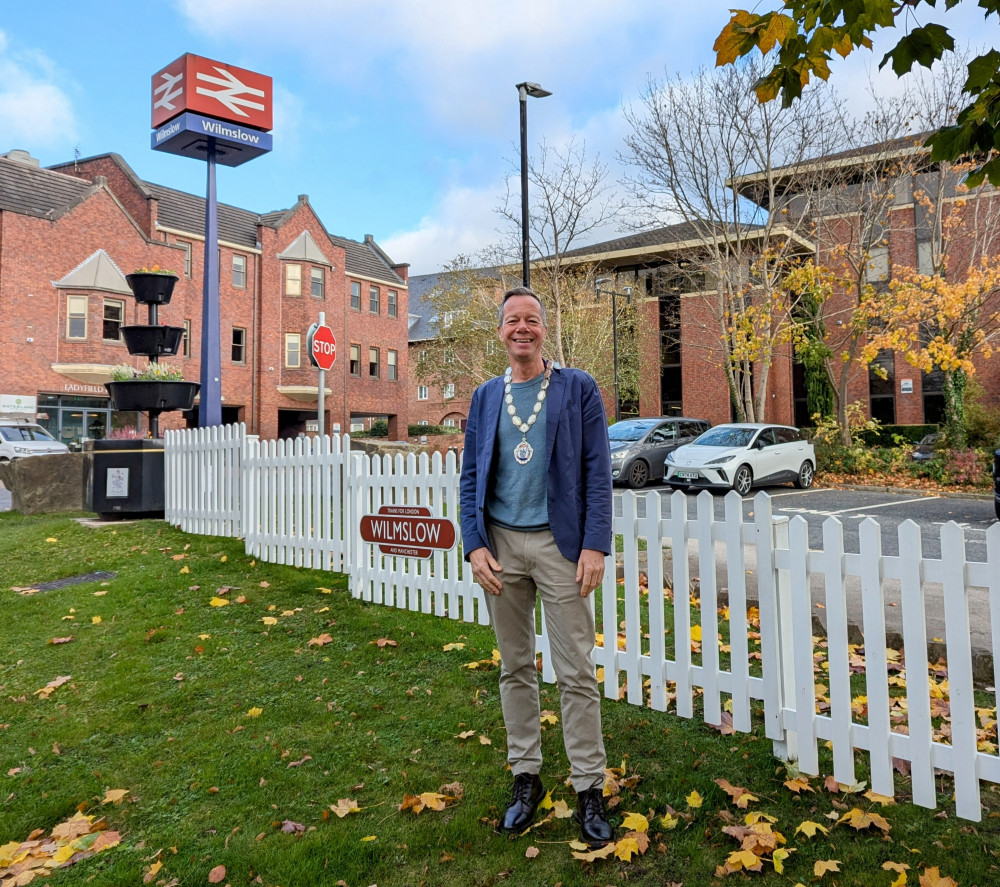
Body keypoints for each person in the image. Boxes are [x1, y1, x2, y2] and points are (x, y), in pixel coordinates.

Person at [459, 286, 614, 847]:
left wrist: (595, 544)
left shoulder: (578, 388)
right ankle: (527, 778)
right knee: (515, 665)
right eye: (511, 321)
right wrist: (474, 544)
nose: (521, 328)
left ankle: (589, 786)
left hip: (559, 546)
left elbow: (598, 470)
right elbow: (471, 476)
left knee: (575, 670)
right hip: (500, 546)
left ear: (544, 329)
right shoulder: (483, 397)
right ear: (500, 331)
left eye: (532, 320)